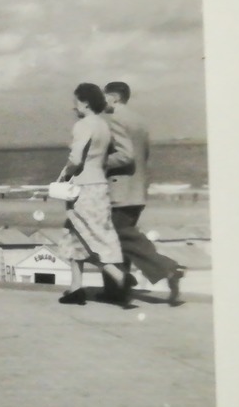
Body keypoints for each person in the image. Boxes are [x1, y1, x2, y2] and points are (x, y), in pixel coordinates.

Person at [103, 81, 184, 305]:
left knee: (120, 237)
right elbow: (143, 156)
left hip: (119, 190)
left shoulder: (114, 119)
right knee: (119, 241)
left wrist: (98, 162)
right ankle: (116, 292)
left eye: (104, 97)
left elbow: (124, 156)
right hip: (137, 189)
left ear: (114, 98)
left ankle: (168, 268)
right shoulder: (140, 121)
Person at [55, 82, 132, 307]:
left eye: (76, 102)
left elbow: (76, 159)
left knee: (87, 235)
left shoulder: (83, 125)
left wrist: (63, 176)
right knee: (76, 233)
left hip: (83, 188)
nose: (75, 107)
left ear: (85, 102)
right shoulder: (104, 125)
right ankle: (76, 288)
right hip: (99, 185)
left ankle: (120, 278)